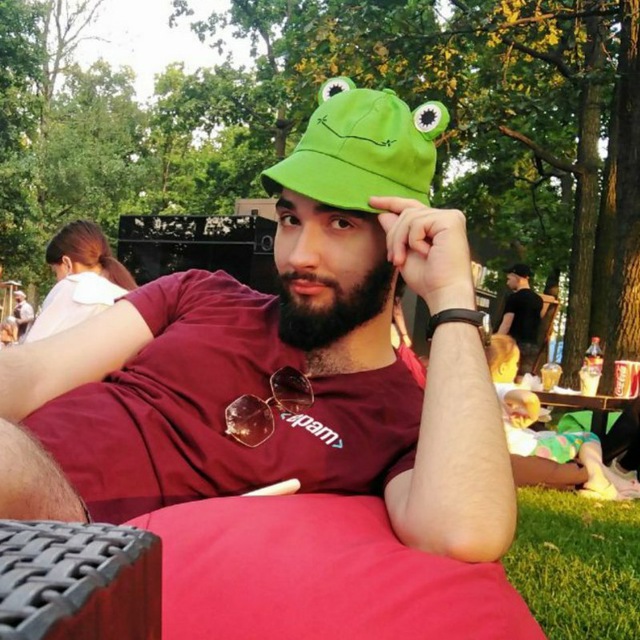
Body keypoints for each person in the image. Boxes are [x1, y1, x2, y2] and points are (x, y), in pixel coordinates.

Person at [0, 79, 516, 563]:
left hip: (66, 546)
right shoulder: (200, 292)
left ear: (402, 242)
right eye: (291, 219)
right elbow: (34, 374)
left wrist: (452, 296)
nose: (299, 255)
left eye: (340, 223)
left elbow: (464, 531)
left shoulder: (402, 421)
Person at [486, 335, 640, 500]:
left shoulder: (481, 390)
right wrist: (532, 415)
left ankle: (613, 479)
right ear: (503, 368)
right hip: (527, 450)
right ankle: (597, 478)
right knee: (588, 437)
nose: (517, 369)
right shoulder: (501, 387)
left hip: (511, 447)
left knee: (560, 438)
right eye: (515, 364)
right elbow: (529, 399)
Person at [25, 220, 137, 343]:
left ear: (67, 264)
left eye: (55, 271)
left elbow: (32, 348)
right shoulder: (127, 297)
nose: (56, 279)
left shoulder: (72, 287)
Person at [496, 263, 543, 376]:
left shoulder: (514, 298)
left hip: (514, 345)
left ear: (516, 277)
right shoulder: (538, 300)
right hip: (532, 346)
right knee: (523, 377)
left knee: (507, 376)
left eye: (509, 279)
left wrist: (496, 342)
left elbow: (506, 324)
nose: (507, 283)